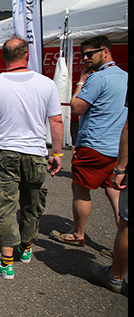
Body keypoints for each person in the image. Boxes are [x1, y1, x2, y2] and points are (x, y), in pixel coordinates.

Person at [0, 35, 64, 280]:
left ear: (3, 57)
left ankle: (6, 263)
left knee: (5, 205)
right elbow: (56, 121)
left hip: (5, 153)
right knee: (31, 202)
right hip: (36, 153)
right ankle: (25, 248)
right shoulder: (47, 84)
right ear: (27, 55)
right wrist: (56, 153)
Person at [50, 36, 128, 247]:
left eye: (90, 53)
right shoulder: (125, 76)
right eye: (83, 54)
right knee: (116, 194)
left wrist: (81, 82)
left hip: (95, 145)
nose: (85, 58)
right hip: (118, 149)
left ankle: (77, 233)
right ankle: (124, 242)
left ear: (105, 52)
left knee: (81, 189)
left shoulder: (97, 79)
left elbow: (76, 107)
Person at [89, 104, 128, 294]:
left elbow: (78, 107)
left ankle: (116, 275)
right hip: (111, 146)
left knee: (127, 225)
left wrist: (120, 168)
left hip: (99, 145)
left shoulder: (99, 78)